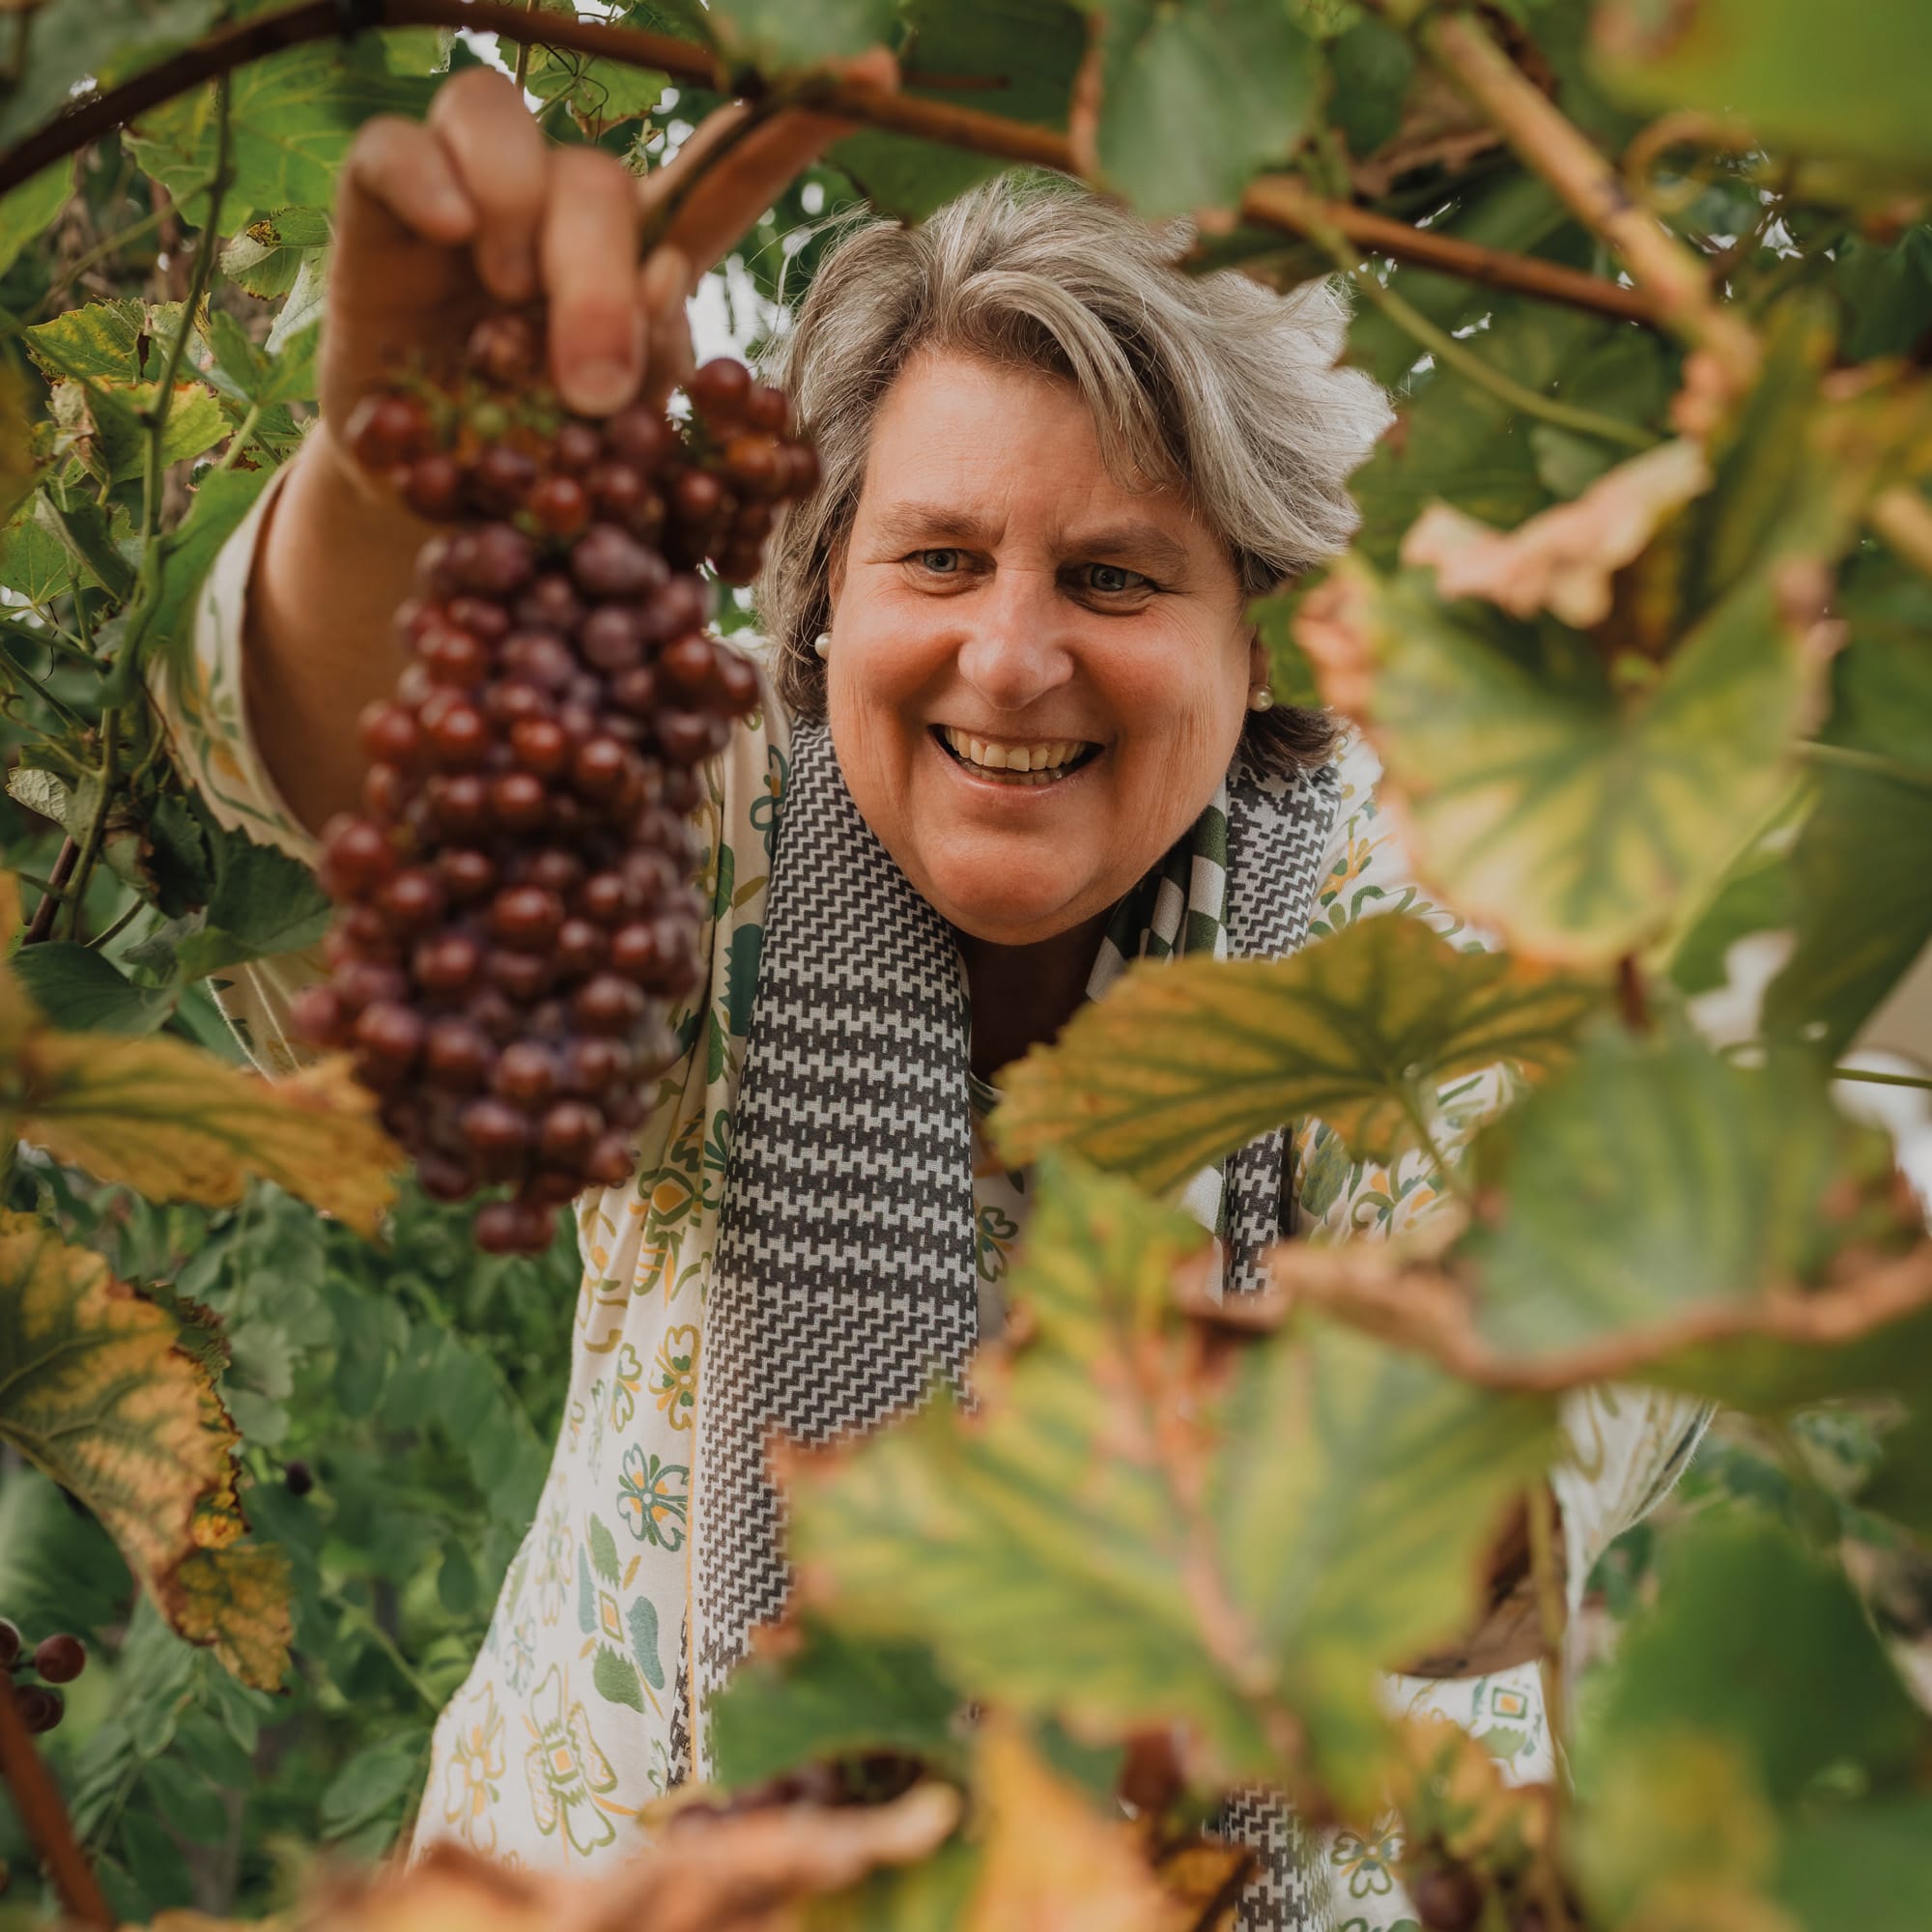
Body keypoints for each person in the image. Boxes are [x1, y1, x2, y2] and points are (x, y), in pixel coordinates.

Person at [155, 65, 1706, 1930]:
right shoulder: (729, 843)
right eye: (941, 558)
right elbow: (377, 804)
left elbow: (1578, 1389)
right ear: (820, 604)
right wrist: (386, 498)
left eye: (1119, 576)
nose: (1014, 653)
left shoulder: (1418, 901)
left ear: (1255, 634)